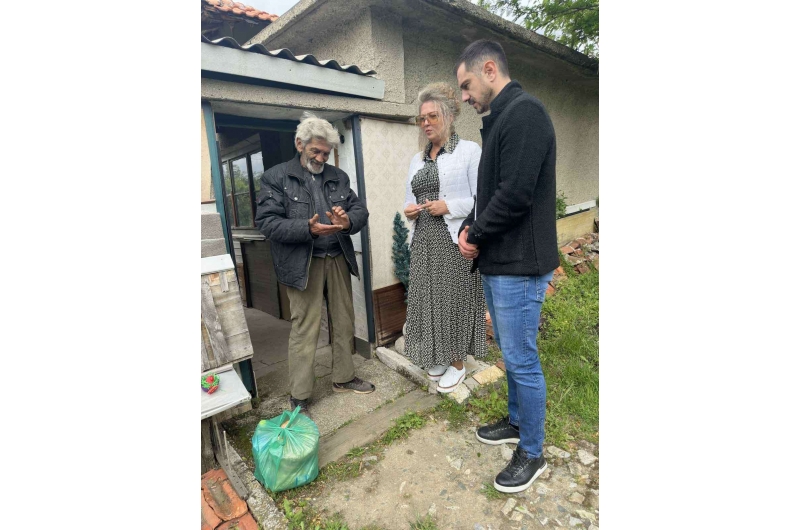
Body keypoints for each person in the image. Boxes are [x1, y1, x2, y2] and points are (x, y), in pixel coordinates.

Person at [455, 40, 560, 493]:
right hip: (501, 263)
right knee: (512, 354)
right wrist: (471, 227)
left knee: (521, 358)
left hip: (520, 264)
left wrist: (475, 235)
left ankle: (532, 452)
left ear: (490, 69)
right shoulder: (501, 119)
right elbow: (492, 194)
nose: (464, 96)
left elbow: (515, 195)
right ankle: (517, 423)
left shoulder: (525, 114)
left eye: (466, 85)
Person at [255, 113, 375, 417]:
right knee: (305, 328)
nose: (321, 158)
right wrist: (306, 229)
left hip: (337, 256)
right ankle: (300, 395)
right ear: (299, 144)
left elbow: (359, 210)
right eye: (315, 151)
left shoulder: (338, 176)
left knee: (344, 320)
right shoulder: (276, 177)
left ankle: (343, 377)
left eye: (326, 153)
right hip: (302, 263)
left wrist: (347, 222)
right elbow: (267, 223)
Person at [402, 83, 487, 393]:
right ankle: (439, 356)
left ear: (449, 116)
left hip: (454, 240)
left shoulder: (469, 151)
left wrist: (447, 206)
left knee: (454, 301)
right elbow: (408, 200)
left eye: (432, 116)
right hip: (423, 240)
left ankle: (458, 363)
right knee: (429, 301)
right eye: (421, 118)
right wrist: (409, 211)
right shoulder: (417, 159)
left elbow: (481, 200)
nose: (425, 123)